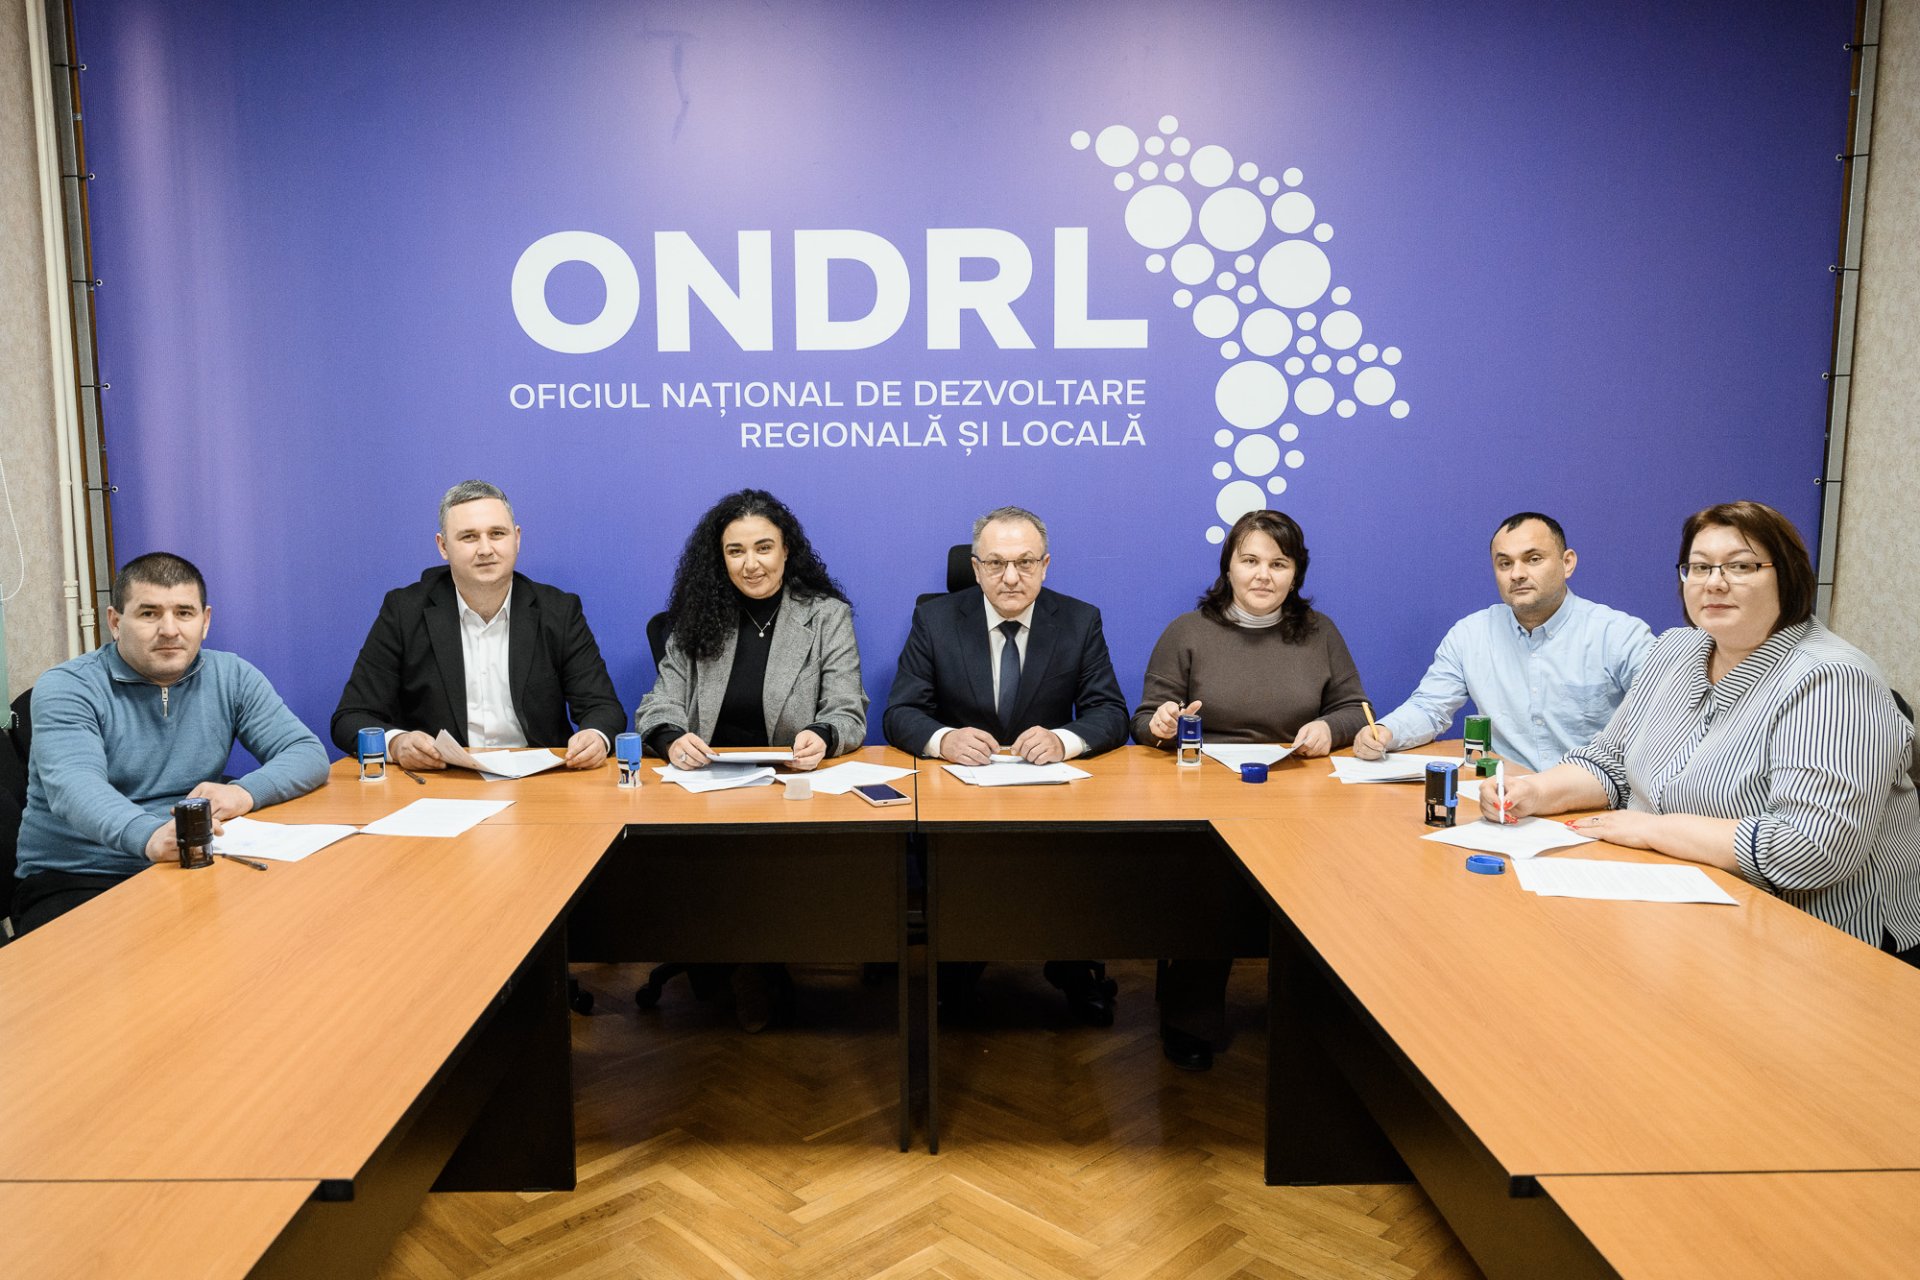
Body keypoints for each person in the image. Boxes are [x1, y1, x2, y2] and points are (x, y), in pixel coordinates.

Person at [1499, 501, 1920, 965]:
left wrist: (1654, 829)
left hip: (1813, 942)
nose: (1714, 583)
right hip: (1673, 905)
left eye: (1740, 566)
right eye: (1699, 567)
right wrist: (1533, 791)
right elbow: (1609, 762)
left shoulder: (1831, 679)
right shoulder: (1675, 649)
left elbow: (1811, 849)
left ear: (1788, 575)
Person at [1132, 509, 1369, 1068]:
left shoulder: (1321, 633)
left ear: (1296, 572)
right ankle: (1190, 1018)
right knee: (1207, 882)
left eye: (1278, 564)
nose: (1263, 575)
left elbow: (1356, 710)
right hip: (1206, 792)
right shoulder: (1187, 632)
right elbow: (1144, 721)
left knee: (1328, 886)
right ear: (1229, 567)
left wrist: (1328, 729)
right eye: (1250, 561)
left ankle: (1312, 1017)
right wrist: (1163, 724)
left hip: (1296, 792)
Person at [884, 505, 1130, 1025]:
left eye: (1025, 562)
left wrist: (1063, 740)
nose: (1011, 577)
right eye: (996, 563)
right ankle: (957, 966)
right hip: (961, 799)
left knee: (1080, 853)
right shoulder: (935, 619)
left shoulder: (1079, 620)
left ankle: (1073, 964)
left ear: (1046, 565)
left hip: (1050, 795)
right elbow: (900, 713)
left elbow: (1110, 712)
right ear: (975, 569)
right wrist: (944, 739)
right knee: (959, 862)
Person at [635, 488, 867, 1029]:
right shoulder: (697, 617)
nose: (751, 563)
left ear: (787, 551)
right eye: (735, 551)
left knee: (764, 860)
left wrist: (822, 735)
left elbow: (847, 708)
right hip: (704, 783)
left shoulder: (825, 616)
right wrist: (670, 738)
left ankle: (745, 962)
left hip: (790, 783)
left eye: (763, 547)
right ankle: (743, 964)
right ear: (720, 558)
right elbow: (658, 704)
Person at [11, 553, 329, 934]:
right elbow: (76, 787)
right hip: (83, 876)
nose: (169, 629)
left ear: (205, 622)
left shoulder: (232, 676)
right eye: (149, 613)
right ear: (115, 622)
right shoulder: (67, 687)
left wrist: (243, 794)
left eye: (184, 613)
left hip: (192, 863)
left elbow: (305, 752)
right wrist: (149, 835)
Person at [331, 480, 624, 769]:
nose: (485, 549)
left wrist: (595, 736)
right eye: (469, 537)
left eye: (497, 534)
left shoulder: (558, 610)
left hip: (539, 780)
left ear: (516, 539)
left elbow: (604, 708)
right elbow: (350, 717)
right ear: (443, 546)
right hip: (442, 779)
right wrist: (396, 744)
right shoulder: (404, 612)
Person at [1353, 512, 1652, 773]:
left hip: (1596, 799)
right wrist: (1385, 731)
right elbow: (1430, 708)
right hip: (1505, 796)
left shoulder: (1620, 636)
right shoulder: (1470, 635)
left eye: (1533, 559)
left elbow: (1662, 728)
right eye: (1505, 563)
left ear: (1567, 563)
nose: (1517, 574)